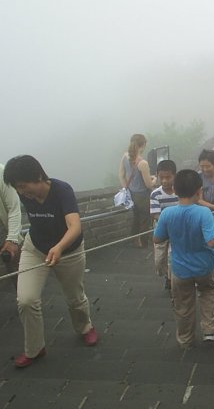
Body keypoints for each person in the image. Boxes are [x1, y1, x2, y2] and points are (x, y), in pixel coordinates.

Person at [3, 155, 98, 368]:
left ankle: (85, 328)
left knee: (74, 297)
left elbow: (75, 226)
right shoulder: (24, 195)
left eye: (23, 186)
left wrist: (59, 247)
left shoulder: (62, 190)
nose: (21, 192)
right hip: (34, 248)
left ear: (37, 176)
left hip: (69, 251)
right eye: (17, 188)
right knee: (26, 300)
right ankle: (35, 349)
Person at [153, 169, 214, 347]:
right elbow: (212, 241)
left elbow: (157, 238)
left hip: (180, 268)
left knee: (183, 304)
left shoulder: (167, 214)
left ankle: (185, 338)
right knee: (207, 293)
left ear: (175, 191)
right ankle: (208, 330)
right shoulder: (204, 213)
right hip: (204, 266)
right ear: (199, 191)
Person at [119, 134, 156, 248]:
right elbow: (148, 185)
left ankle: (135, 239)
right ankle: (144, 243)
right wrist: (154, 179)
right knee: (145, 219)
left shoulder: (125, 156)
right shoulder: (142, 163)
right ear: (143, 145)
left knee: (136, 217)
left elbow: (121, 174)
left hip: (131, 193)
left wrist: (126, 188)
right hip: (143, 195)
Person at [150, 159, 179, 291]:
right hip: (161, 231)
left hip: (176, 231)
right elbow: (155, 214)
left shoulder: (179, 193)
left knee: (172, 257)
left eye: (168, 177)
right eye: (161, 177)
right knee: (159, 259)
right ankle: (165, 274)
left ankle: (170, 279)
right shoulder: (155, 194)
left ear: (175, 175)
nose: (165, 181)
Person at [197, 149, 214, 273]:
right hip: (206, 214)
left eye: (208, 166)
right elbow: (198, 199)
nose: (205, 169)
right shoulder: (199, 178)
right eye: (202, 166)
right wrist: (212, 206)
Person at [0, 163, 22, 282]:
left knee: (19, 277)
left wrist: (12, 239)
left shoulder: (1, 172)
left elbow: (13, 208)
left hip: (6, 236)